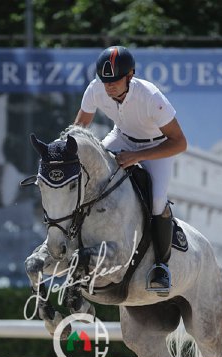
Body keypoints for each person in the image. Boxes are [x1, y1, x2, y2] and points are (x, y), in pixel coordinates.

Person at [74, 45, 187, 293]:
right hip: (121, 137)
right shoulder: (95, 89)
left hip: (157, 146)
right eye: (105, 81)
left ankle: (161, 266)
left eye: (115, 80)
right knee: (90, 177)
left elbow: (179, 143)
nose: (109, 86)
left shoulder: (151, 96)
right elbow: (79, 129)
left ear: (130, 75)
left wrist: (138, 156)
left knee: (157, 202)